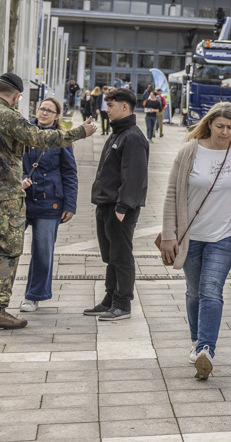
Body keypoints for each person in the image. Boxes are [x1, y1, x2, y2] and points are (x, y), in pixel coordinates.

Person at [0, 75, 94, 330]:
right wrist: (80, 131)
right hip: (3, 198)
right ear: (17, 97)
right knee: (6, 251)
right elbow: (43, 139)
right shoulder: (10, 116)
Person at [160, 102, 231, 380]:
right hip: (191, 236)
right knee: (194, 290)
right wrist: (168, 235)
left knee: (212, 289)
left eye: (230, 127)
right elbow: (172, 193)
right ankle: (197, 340)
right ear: (209, 124)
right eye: (220, 126)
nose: (224, 132)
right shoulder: (190, 150)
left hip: (226, 234)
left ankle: (206, 349)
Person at [85, 87, 149, 322]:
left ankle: (122, 303)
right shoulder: (117, 133)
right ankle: (110, 299)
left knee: (121, 256)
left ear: (125, 107)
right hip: (106, 204)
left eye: (110, 105)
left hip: (119, 207)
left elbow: (134, 176)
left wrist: (122, 207)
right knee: (111, 255)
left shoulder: (132, 136)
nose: (106, 109)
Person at [21, 97, 78, 313]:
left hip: (50, 202)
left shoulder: (62, 139)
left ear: (56, 116)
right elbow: (12, 162)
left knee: (43, 250)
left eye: (49, 111)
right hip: (23, 200)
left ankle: (33, 296)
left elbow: (70, 173)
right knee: (8, 248)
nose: (43, 113)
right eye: (41, 109)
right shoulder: (24, 133)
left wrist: (70, 205)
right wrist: (22, 176)